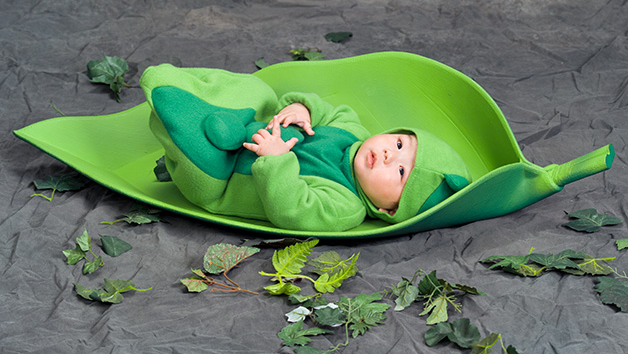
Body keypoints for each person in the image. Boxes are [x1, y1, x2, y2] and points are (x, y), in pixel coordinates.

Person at [140, 64, 471, 232]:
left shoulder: (346, 206)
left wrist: (276, 160)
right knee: (258, 90)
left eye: (400, 171)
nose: (389, 154)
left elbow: (293, 209)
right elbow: (328, 109)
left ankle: (171, 105)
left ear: (389, 211)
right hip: (253, 125)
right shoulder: (352, 130)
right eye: (399, 143)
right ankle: (181, 86)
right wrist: (302, 110)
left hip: (226, 180)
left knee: (202, 157)